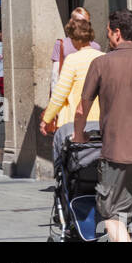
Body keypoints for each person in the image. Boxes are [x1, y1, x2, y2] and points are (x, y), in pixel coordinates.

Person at [74, 8, 132, 243]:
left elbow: (82, 110)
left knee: (112, 214)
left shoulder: (101, 63)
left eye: (108, 32)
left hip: (117, 152)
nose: (107, 36)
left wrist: (79, 136)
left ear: (117, 33)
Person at [40, 16, 101, 159]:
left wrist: (46, 119)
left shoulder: (72, 60)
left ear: (74, 39)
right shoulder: (102, 57)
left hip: (74, 121)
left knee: (69, 160)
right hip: (100, 119)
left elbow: (60, 93)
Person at [50, 8, 101, 91]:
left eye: (85, 23)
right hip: (66, 92)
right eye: (78, 22)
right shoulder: (61, 44)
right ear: (71, 22)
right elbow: (55, 74)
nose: (82, 26)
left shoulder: (96, 47)